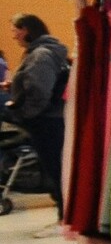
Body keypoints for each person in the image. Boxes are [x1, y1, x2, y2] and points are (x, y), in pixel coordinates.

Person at [5, 13, 70, 213]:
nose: (14, 36)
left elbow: (40, 90)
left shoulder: (40, 55)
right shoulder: (45, 52)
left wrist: (26, 113)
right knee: (56, 167)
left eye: (15, 31)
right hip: (51, 117)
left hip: (46, 120)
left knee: (55, 168)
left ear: (26, 30)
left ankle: (64, 213)